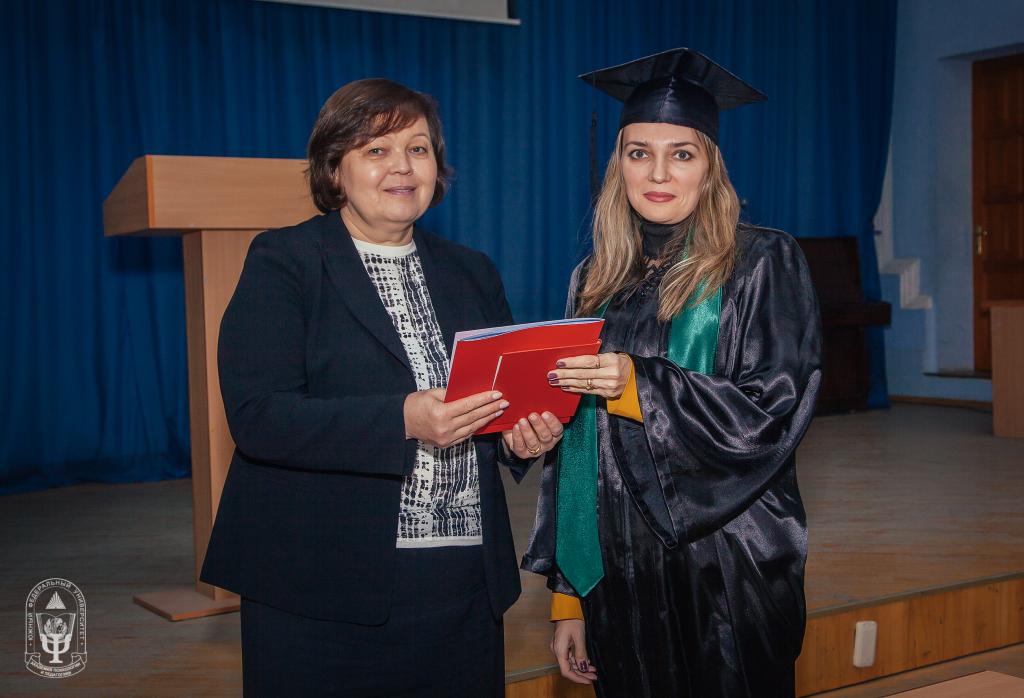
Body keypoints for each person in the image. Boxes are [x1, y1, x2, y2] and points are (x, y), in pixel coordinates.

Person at [200, 78, 562, 697]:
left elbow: (495, 405)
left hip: (461, 584)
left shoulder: (471, 270)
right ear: (334, 170)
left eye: (418, 149)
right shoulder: (285, 261)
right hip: (322, 587)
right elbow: (259, 417)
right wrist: (403, 419)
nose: (402, 166)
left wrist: (522, 438)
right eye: (376, 149)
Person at [521, 48, 823, 697]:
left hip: (725, 563)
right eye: (639, 153)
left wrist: (638, 383)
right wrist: (570, 597)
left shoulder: (762, 261)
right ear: (619, 166)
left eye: (681, 154)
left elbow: (773, 411)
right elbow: (576, 447)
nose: (658, 172)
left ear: (710, 168)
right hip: (617, 570)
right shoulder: (593, 280)